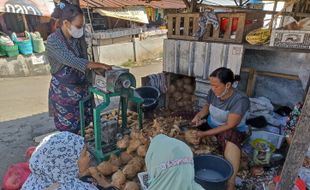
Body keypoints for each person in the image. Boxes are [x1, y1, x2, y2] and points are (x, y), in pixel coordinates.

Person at [47, 1, 112, 133]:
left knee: (83, 124)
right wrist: (99, 65)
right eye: (78, 26)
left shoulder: (77, 39)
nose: (80, 29)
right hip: (64, 93)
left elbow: (84, 58)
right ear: (66, 23)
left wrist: (96, 71)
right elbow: (71, 60)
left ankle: (82, 148)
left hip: (81, 90)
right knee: (69, 130)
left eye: (82, 26)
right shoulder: (53, 40)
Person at [192, 67, 250, 190]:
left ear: (228, 85)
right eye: (211, 85)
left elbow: (230, 125)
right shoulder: (213, 92)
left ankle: (231, 183)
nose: (213, 88)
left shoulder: (240, 100)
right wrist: (198, 116)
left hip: (232, 131)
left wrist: (204, 134)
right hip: (211, 124)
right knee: (183, 115)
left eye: (216, 86)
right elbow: (207, 107)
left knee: (229, 135)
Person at [21, 132, 118, 190]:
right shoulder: (80, 188)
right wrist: (106, 185)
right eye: (84, 154)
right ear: (68, 163)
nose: (89, 155)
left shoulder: (33, 180)